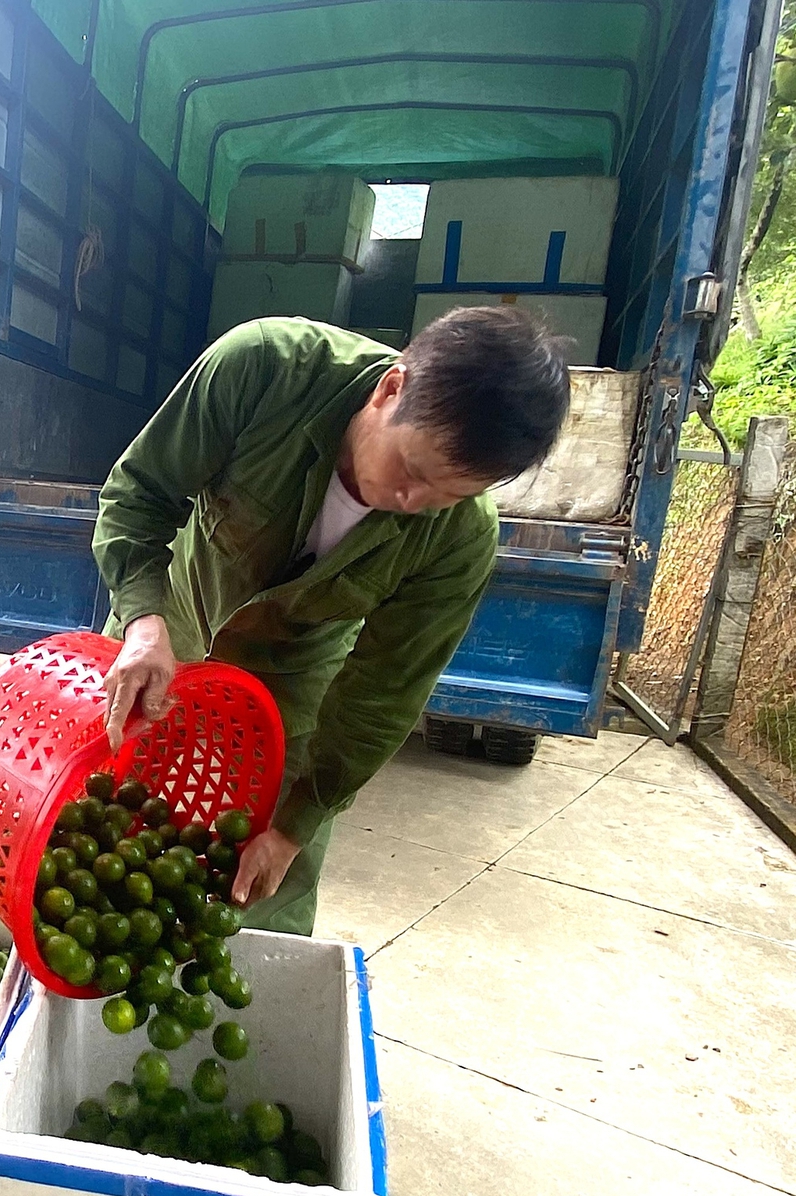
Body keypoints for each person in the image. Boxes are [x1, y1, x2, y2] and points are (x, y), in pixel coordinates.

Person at [93, 307, 569, 935]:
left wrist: (295, 827)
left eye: (446, 496)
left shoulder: (460, 539)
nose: (411, 503)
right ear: (390, 389)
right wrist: (144, 621)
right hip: (177, 607)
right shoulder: (263, 368)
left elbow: (383, 694)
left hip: (301, 663)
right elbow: (140, 495)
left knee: (264, 887)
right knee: (100, 803)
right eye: (412, 472)